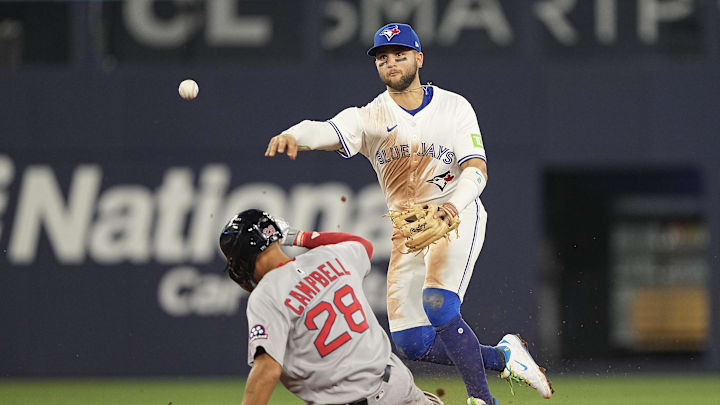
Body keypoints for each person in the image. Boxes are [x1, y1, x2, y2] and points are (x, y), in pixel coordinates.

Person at [264, 23, 554, 405]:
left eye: (400, 55)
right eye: (383, 58)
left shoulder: (454, 107)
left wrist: (452, 206)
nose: (391, 63)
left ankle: (483, 400)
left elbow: (477, 170)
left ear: (419, 58)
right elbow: (322, 129)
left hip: (457, 214)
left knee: (438, 302)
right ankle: (504, 357)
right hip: (410, 229)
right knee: (412, 343)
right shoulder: (369, 117)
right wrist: (293, 135)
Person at [219, 209, 444, 405]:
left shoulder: (266, 294)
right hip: (399, 387)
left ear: (241, 257)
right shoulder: (331, 255)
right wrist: (299, 237)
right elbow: (363, 245)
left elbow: (267, 371)